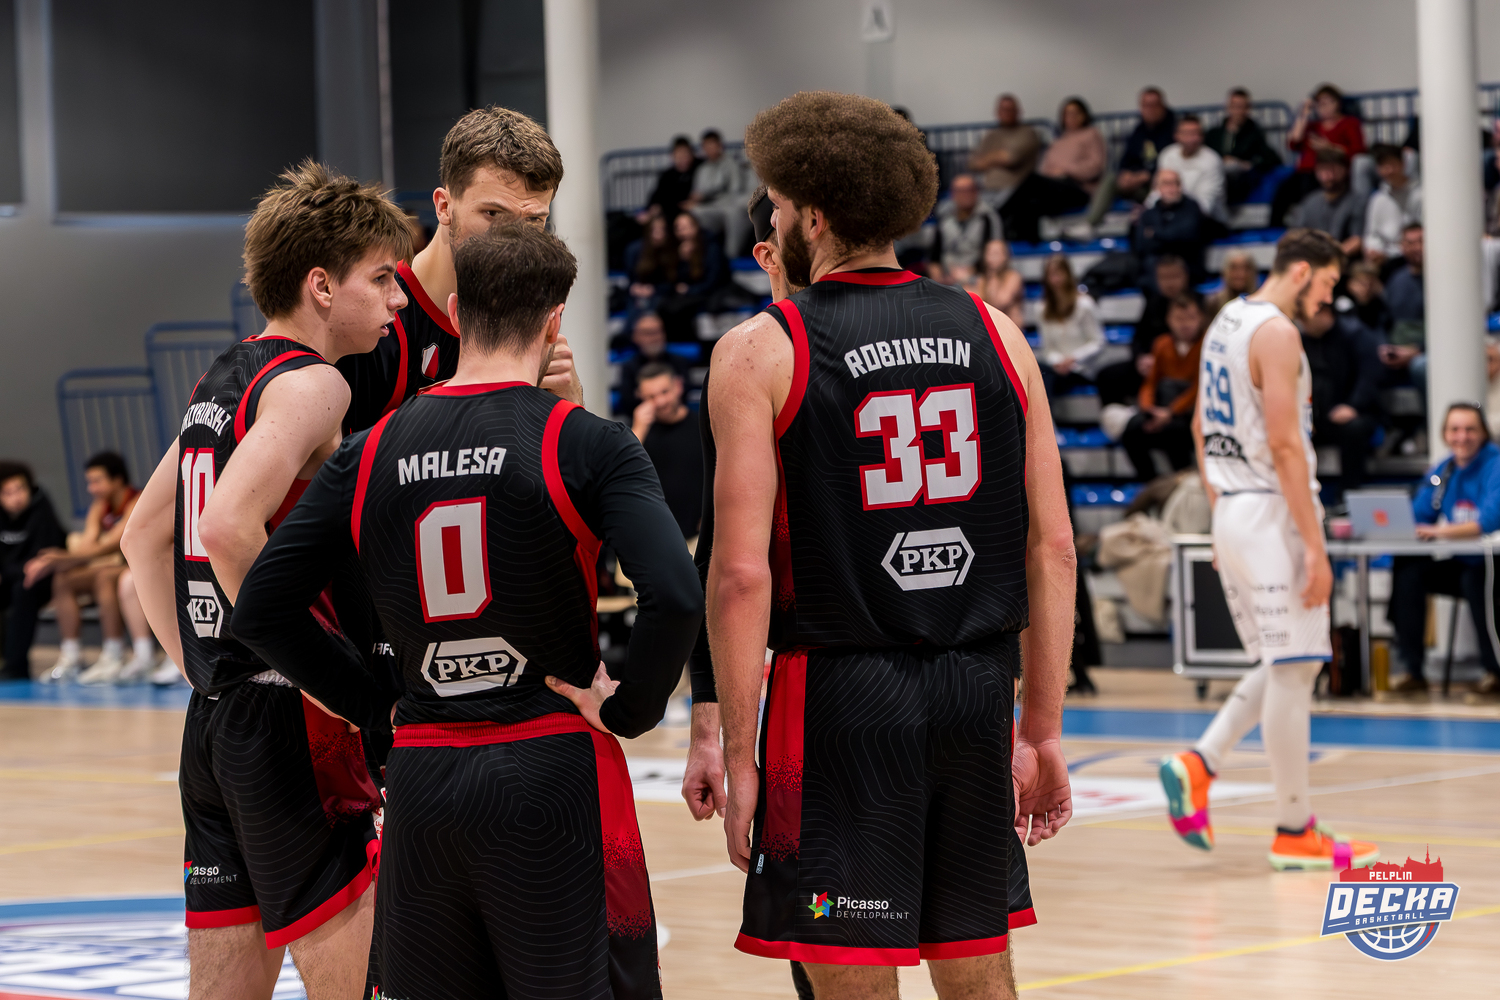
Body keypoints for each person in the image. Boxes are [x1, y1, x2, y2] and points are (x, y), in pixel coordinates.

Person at [231, 224, 702, 1000]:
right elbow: (677, 594)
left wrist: (374, 705)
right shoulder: (587, 442)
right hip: (551, 767)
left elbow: (261, 610)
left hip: (422, 777)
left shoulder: (369, 449)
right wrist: (631, 711)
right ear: (554, 321)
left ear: (454, 313)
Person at [715, 90, 1073, 1000]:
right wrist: (1042, 731)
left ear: (814, 219)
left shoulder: (761, 349)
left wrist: (738, 752)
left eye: (778, 207)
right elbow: (1054, 550)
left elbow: (741, 574)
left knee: (852, 981)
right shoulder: (998, 331)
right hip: (975, 691)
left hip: (840, 701)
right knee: (978, 972)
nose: (773, 224)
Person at [120, 161, 413, 998]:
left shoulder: (223, 378)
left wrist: (202, 668)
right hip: (291, 721)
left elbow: (143, 537)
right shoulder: (316, 384)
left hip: (216, 722)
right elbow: (224, 528)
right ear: (321, 286)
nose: (398, 300)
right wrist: (336, 685)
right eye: (381, 278)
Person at [1165, 228, 1379, 871]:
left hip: (1234, 509)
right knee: (1296, 668)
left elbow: (1200, 426)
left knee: (1283, 662)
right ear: (1303, 271)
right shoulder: (1278, 333)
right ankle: (1293, 828)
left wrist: (1222, 510)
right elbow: (1286, 446)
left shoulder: (1225, 320)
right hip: (1269, 509)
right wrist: (1315, 547)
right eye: (1329, 284)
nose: (1330, 299)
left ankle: (1200, 763)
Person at [338, 106, 580, 434]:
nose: (514, 238)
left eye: (534, 220)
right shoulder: (376, 318)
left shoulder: (531, 317)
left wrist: (571, 399)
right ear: (443, 207)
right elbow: (342, 464)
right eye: (493, 214)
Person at [1388, 403, 1500, 700]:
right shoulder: (1444, 470)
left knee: (1476, 580)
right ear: (1444, 434)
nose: (1462, 437)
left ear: (1483, 433)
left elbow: (1489, 521)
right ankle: (1413, 671)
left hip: (1493, 562)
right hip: (1464, 562)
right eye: (1455, 430)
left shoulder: (1495, 465)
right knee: (1410, 571)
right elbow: (1420, 512)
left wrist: (1439, 532)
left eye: (1470, 429)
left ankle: (1495, 674)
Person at [25, 452, 138, 683]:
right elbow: (88, 544)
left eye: (97, 481)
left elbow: (113, 544)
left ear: (117, 480)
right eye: (89, 482)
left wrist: (63, 557)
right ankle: (71, 656)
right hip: (113, 566)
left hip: (136, 568)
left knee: (103, 577)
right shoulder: (100, 506)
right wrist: (61, 561)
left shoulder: (136, 500)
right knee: (63, 579)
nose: (91, 488)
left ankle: (114, 654)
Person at [1302, 302, 1382, 498]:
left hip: (1352, 411)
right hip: (1314, 415)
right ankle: (1301, 495)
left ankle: (1348, 494)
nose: (1302, 323)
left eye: (1305, 318)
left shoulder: (1355, 334)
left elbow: (1370, 375)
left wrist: (1353, 406)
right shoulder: (1302, 339)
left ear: (1325, 313)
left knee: (1354, 429)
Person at [1121, 295, 1204, 480]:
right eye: (1179, 319)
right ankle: (1149, 480)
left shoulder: (1206, 345)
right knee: (1132, 429)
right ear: (1169, 320)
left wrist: (1171, 412)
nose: (1185, 324)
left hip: (1188, 411)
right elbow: (1150, 382)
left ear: (1201, 318)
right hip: (1162, 407)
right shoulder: (1162, 344)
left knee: (1174, 431)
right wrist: (1149, 409)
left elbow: (1199, 388)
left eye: (1190, 318)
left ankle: (1182, 479)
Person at [1096, 255, 1191, 406]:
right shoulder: (1153, 302)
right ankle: (1121, 416)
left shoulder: (1194, 305)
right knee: (1107, 375)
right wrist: (1140, 359)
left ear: (1185, 276)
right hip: (1150, 365)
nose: (1170, 283)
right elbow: (1138, 338)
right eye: (1164, 277)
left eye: (1174, 276)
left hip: (1180, 366)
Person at [0, 461, 64, 681]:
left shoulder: (41, 509)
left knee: (23, 590)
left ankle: (16, 666)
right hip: (10, 577)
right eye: (7, 492)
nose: (16, 497)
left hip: (40, 580)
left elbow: (45, 554)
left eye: (20, 489)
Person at [633, 361, 704, 539]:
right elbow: (621, 472)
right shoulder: (638, 434)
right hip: (654, 536)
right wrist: (639, 429)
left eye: (664, 392)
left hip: (698, 534)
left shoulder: (702, 427)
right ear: (641, 397)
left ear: (678, 386)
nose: (660, 401)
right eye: (651, 397)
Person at [1277, 84, 1365, 225]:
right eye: (1319, 104)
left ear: (1337, 103)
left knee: (1309, 187)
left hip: (1330, 169)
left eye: (1326, 103)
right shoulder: (1313, 126)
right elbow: (1293, 143)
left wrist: (1330, 147)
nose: (1322, 107)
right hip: (1305, 171)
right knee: (1282, 190)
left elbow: (1358, 151)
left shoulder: (1349, 123)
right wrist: (1304, 114)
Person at [1037, 254, 1105, 397]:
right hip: (1055, 367)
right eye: (1051, 274)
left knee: (1045, 377)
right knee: (1037, 371)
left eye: (1059, 273)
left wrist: (1073, 358)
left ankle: (1045, 412)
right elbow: (1048, 348)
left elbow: (1098, 342)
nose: (1055, 279)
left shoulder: (1084, 304)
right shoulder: (1042, 308)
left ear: (1068, 274)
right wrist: (1058, 361)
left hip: (1081, 368)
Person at [657, 210, 727, 341]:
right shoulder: (675, 248)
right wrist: (683, 261)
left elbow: (715, 280)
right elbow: (672, 278)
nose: (682, 232)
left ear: (696, 226)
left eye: (685, 227)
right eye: (678, 228)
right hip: (689, 292)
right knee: (662, 305)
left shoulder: (711, 247)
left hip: (709, 291)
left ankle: (687, 342)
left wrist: (690, 290)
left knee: (676, 309)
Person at [1205, 88, 1283, 205]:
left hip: (1241, 177)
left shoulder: (1253, 133)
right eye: (1235, 106)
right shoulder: (1214, 134)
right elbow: (1204, 154)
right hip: (1215, 173)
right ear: (1228, 107)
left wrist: (1248, 164)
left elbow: (1272, 158)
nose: (1238, 111)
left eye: (1242, 107)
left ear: (1247, 109)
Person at [1287, 149, 1366, 259]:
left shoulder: (1357, 201)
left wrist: (1330, 259)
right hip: (1313, 259)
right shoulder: (1310, 201)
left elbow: (1357, 240)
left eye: (1333, 169)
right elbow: (1296, 235)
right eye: (1323, 170)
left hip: (1344, 261)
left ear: (1345, 170)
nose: (1328, 176)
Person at [968, 94, 1041, 211]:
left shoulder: (1028, 133)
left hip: (1015, 190)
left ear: (1018, 111)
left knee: (984, 212)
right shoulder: (991, 135)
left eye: (1010, 110)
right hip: (986, 188)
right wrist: (997, 156)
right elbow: (972, 163)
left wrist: (986, 160)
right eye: (1003, 110)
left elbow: (1011, 159)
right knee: (951, 207)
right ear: (997, 112)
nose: (1007, 113)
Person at [928, 173, 1003, 284]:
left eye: (969, 190)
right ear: (952, 194)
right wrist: (938, 281)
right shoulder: (944, 218)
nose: (965, 195)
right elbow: (934, 257)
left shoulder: (988, 217)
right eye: (960, 191)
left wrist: (969, 273)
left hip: (979, 278)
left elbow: (996, 254)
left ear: (976, 192)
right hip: (947, 278)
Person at [1137, 169, 1211, 281]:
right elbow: (1141, 245)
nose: (1172, 188)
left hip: (1188, 267)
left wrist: (1155, 233)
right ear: (1157, 187)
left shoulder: (1192, 208)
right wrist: (1172, 237)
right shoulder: (1149, 213)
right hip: (1157, 269)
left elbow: (1188, 236)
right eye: (1166, 183)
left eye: (1176, 183)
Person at [688, 129, 750, 257]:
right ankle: (699, 254)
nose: (710, 149)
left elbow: (735, 192)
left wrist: (707, 196)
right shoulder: (702, 169)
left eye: (712, 144)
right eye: (706, 146)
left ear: (719, 145)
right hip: (709, 208)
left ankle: (731, 256)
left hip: (727, 205)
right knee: (694, 212)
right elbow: (696, 194)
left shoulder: (731, 164)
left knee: (732, 213)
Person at [615, 311, 691, 417]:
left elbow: (685, 396)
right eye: (647, 333)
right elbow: (628, 402)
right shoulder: (628, 367)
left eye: (657, 332)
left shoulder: (680, 362)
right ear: (635, 336)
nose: (653, 338)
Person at [1154, 115, 1227, 223]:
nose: (1191, 138)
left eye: (1196, 133)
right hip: (1170, 218)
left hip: (1208, 221)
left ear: (1202, 136)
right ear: (1176, 135)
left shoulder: (1212, 161)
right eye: (1186, 133)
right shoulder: (1167, 155)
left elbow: (1205, 206)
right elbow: (1158, 191)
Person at [1036, 97, 1107, 204]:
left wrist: (1066, 171)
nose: (1072, 117)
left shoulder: (1092, 134)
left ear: (1084, 115)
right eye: (1068, 114)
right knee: (1031, 188)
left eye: (1076, 113)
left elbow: (1096, 166)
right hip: (1055, 184)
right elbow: (1045, 169)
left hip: (1080, 187)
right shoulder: (1057, 142)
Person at [1363, 144, 1423, 268]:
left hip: (1411, 256)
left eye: (1392, 164)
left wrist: (1392, 253)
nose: (1389, 170)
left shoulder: (1420, 194)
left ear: (1403, 164)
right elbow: (1372, 233)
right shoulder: (1378, 198)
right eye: (1384, 166)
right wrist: (1373, 250)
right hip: (1383, 258)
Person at [1381, 223, 1426, 384]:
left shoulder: (1441, 280)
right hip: (1397, 347)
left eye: (1421, 241)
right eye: (1410, 243)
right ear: (1402, 246)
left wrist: (1417, 350)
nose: (1416, 248)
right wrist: (1384, 347)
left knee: (1420, 366)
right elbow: (1384, 319)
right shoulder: (1396, 280)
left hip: (1427, 351)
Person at [1116, 87, 1177, 201]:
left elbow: (1172, 164)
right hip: (1136, 181)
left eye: (1154, 105)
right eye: (1146, 105)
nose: (1150, 110)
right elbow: (1127, 158)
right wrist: (1126, 173)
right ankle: (1093, 214)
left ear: (1163, 106)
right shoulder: (1139, 130)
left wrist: (1148, 175)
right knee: (1111, 180)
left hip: (1159, 185)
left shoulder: (1175, 130)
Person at [968, 238, 1026, 329]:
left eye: (996, 253)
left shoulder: (1013, 277)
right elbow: (974, 304)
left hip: (1010, 328)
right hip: (990, 329)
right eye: (990, 253)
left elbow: (1002, 301)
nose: (993, 257)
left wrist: (992, 278)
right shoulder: (982, 279)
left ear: (1005, 256)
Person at [639, 134, 699, 222]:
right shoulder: (667, 175)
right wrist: (651, 208)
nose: (683, 157)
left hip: (690, 211)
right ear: (673, 155)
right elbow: (657, 195)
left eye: (686, 153)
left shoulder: (699, 169)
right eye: (679, 153)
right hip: (669, 211)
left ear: (691, 154)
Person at [1205, 250, 1259, 317]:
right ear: (1225, 271)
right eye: (1234, 268)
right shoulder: (1214, 302)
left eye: (1246, 268)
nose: (1240, 274)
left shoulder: (1261, 301)